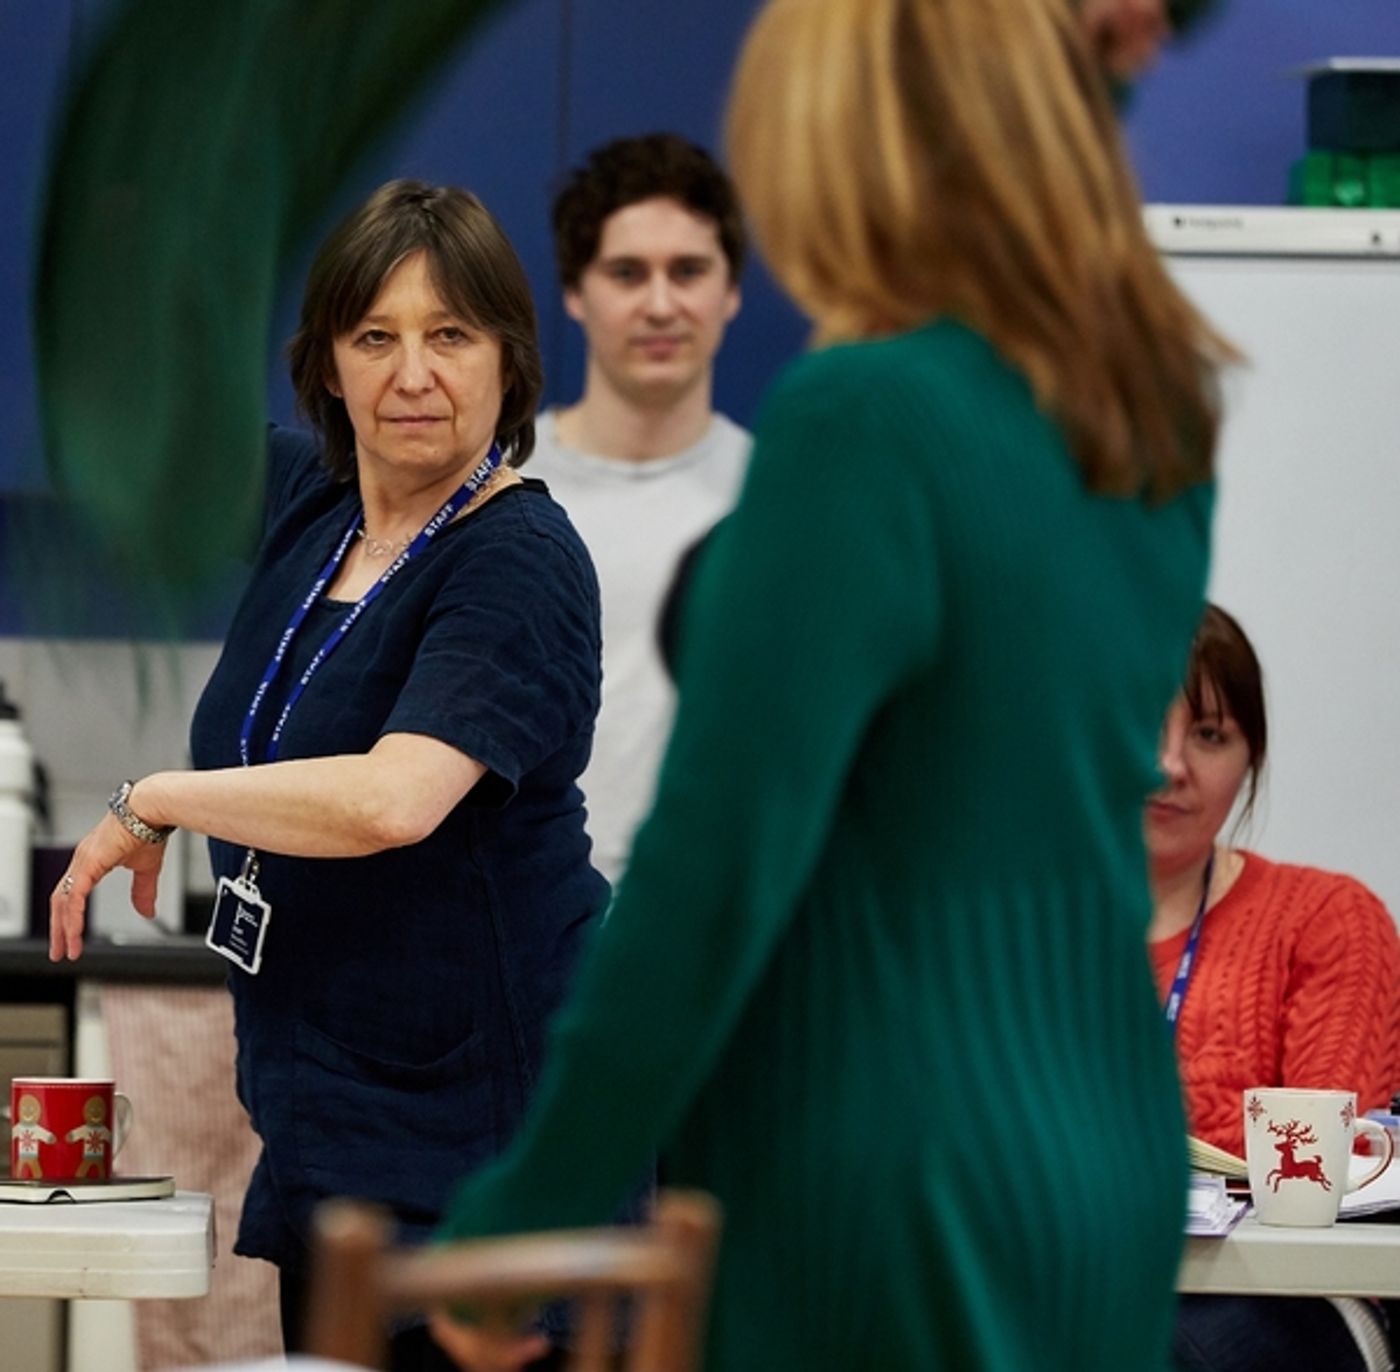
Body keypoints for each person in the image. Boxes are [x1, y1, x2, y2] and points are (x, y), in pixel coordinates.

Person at [429, 0, 1237, 1367]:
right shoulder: (1154, 424)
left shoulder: (863, 419)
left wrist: (525, 1215)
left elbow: (712, 872)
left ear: (852, 140)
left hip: (882, 1155)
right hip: (1103, 1152)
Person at [49, 178, 606, 1372]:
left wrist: (153, 798)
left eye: (450, 335)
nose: (412, 375)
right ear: (329, 365)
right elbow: (149, 401)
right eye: (375, 337)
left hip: (484, 1154)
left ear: (509, 358)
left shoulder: (518, 559)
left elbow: (389, 800)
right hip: (330, 1128)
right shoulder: (320, 503)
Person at [1147, 604, 1400, 1372]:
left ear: (1251, 758)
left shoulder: (1326, 920)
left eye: (1210, 734)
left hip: (1290, 1298)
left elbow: (1321, 1178)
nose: (1170, 764)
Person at [527, 133, 751, 885]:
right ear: (575, 292)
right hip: (530, 923)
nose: (661, 304)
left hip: (717, 924)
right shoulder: (499, 494)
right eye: (627, 273)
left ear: (731, 290)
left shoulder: (780, 499)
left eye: (688, 271)